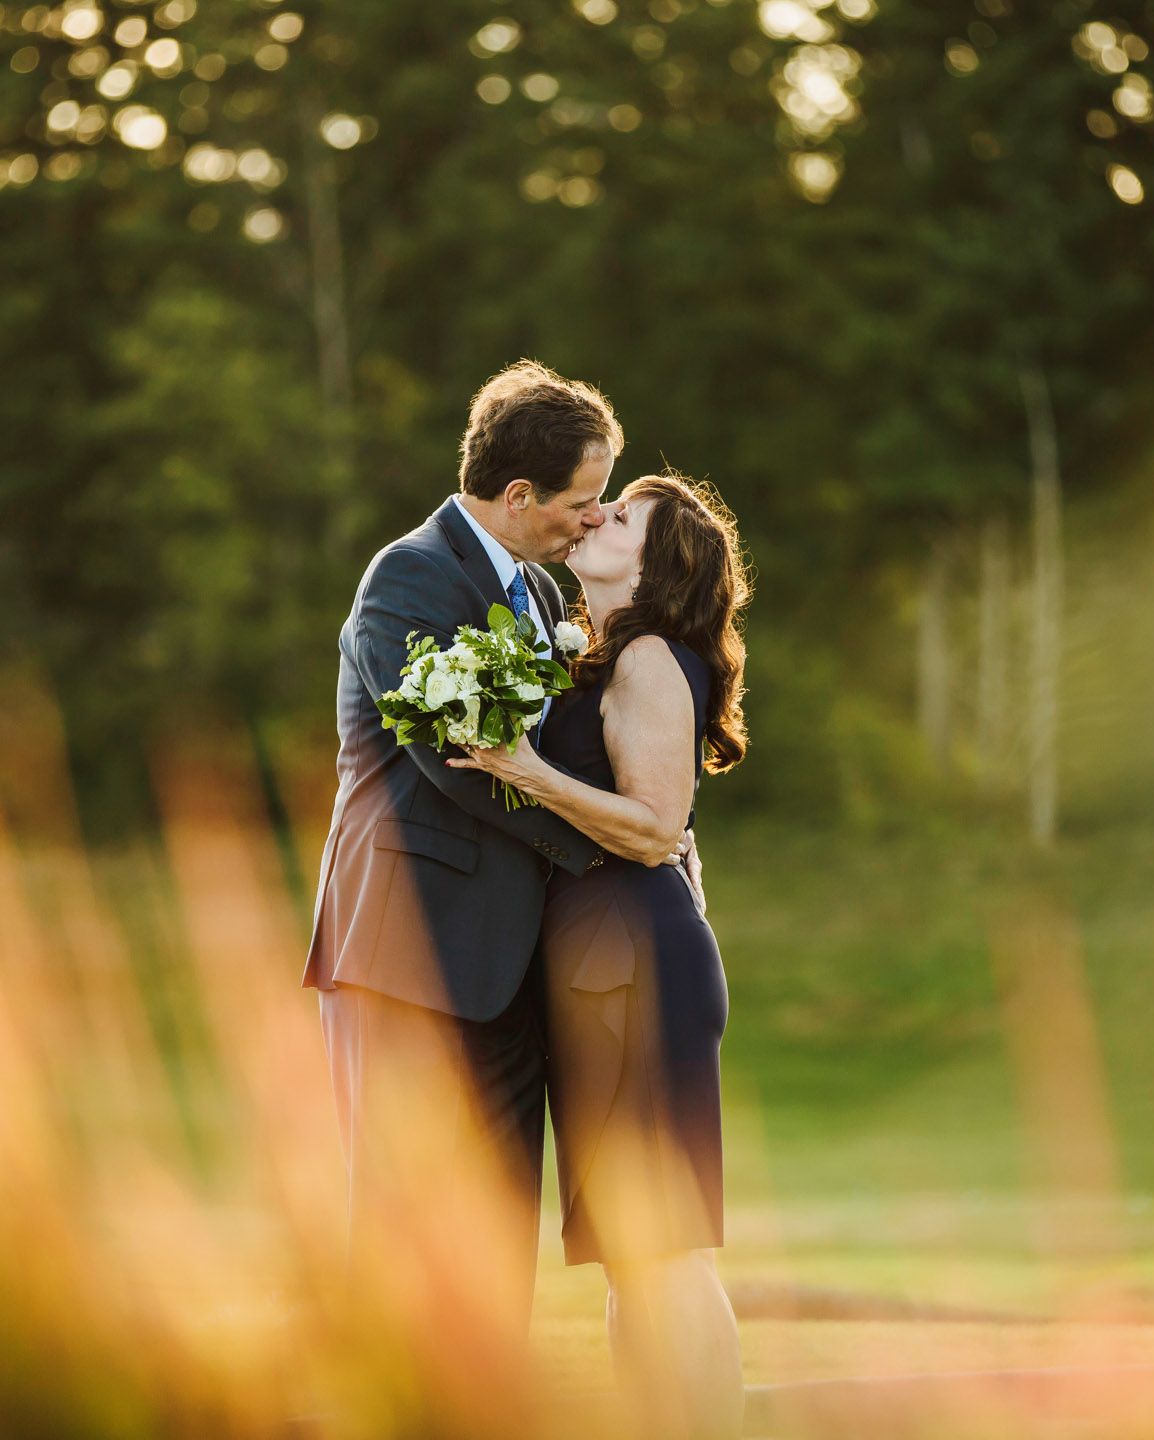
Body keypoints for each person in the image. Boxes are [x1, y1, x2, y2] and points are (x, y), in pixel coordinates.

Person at [303, 360, 687, 1337]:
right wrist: (611, 845)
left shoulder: (535, 590)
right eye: (580, 501)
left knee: (494, 1230)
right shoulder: (411, 576)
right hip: (409, 956)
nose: (590, 521)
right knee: (402, 1233)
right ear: (518, 496)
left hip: (510, 965)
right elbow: (455, 763)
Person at [449, 473, 751, 1440]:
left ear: (659, 562)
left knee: (663, 1252)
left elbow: (658, 826)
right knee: (634, 1253)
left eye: (622, 516)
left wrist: (528, 772)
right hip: (607, 970)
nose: (597, 516)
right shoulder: (609, 658)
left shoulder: (655, 656)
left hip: (630, 968)